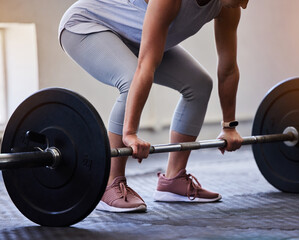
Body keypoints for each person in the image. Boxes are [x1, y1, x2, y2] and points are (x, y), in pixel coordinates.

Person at [59, 0, 247, 213]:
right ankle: (111, 182)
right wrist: (129, 133)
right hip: (88, 25)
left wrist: (229, 127)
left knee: (199, 85)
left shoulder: (228, 7)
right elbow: (146, 65)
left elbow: (228, 68)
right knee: (130, 79)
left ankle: (173, 179)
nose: (246, 4)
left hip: (135, 36)